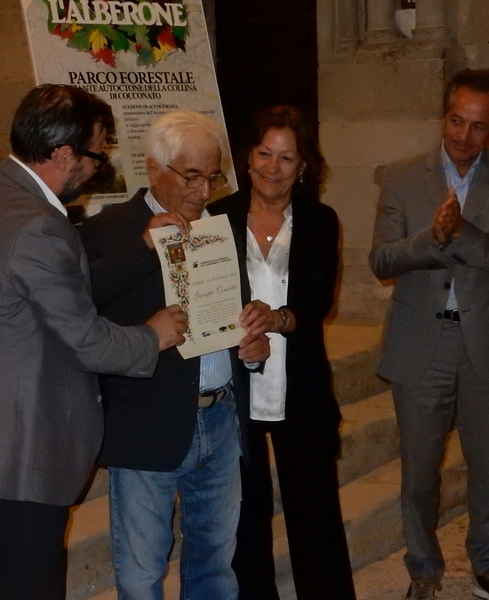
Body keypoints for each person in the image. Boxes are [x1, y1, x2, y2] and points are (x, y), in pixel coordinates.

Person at [0, 84, 188, 600]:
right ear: (63, 154)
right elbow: (88, 342)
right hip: (17, 453)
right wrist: (152, 335)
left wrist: (142, 249)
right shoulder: (39, 225)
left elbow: (50, 294)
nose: (99, 165)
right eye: (96, 152)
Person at [78, 110, 271, 600]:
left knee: (215, 567)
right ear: (152, 168)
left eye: (212, 177)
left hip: (221, 418)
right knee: (143, 574)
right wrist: (146, 246)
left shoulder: (219, 229)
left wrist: (251, 347)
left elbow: (233, 315)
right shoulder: (108, 230)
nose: (203, 192)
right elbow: (81, 307)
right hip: (147, 423)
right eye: (191, 177)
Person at [369, 68, 489, 600]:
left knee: (485, 463)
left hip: (484, 340)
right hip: (421, 339)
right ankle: (424, 567)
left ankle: (487, 562)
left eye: (477, 127)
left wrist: (461, 231)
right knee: (420, 471)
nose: (462, 136)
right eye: (455, 120)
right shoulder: (400, 176)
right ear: (443, 115)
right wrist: (432, 237)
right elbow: (382, 259)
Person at [208, 106, 356, 600]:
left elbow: (316, 303)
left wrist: (277, 319)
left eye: (286, 157)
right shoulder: (218, 217)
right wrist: (237, 332)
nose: (273, 167)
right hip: (238, 385)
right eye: (264, 153)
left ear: (304, 166)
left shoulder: (319, 221)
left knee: (315, 515)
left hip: (302, 387)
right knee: (245, 521)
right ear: (247, 157)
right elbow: (205, 301)